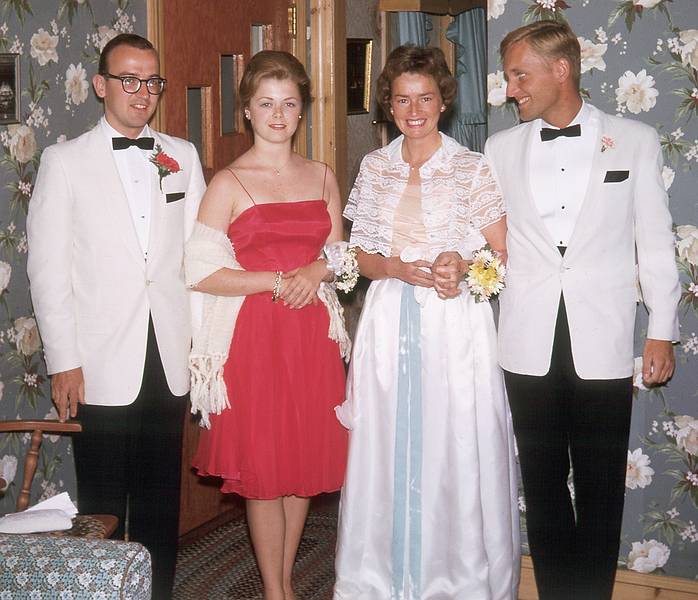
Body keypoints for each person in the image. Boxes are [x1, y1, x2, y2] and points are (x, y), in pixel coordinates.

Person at [484, 20, 681, 600]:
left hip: (606, 340)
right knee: (541, 488)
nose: (511, 87)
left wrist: (662, 332)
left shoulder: (636, 140)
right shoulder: (499, 149)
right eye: (509, 75)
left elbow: (657, 243)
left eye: (521, 74)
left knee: (599, 490)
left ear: (561, 70)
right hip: (525, 342)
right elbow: (484, 240)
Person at [333, 45, 520, 600]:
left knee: (453, 442)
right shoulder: (375, 167)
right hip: (389, 321)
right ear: (388, 106)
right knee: (386, 444)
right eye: (401, 100)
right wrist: (391, 266)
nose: (414, 110)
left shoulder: (470, 167)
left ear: (443, 102)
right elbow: (357, 256)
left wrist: (462, 268)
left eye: (425, 98)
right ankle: (380, 580)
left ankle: (455, 579)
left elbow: (503, 256)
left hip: (454, 327)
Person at [26, 33, 205, 598]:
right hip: (97, 361)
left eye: (151, 81)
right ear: (101, 85)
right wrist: (64, 362)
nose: (141, 92)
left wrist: (204, 351)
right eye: (128, 79)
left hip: (170, 355)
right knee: (103, 504)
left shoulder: (183, 157)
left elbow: (199, 260)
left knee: (159, 501)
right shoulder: (64, 161)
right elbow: (49, 272)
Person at [185, 50, 349, 600]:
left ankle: (285, 586)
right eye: (265, 104)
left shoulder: (323, 175)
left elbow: (341, 257)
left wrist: (315, 270)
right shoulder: (227, 182)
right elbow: (201, 271)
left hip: (311, 338)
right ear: (247, 111)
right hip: (255, 339)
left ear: (301, 111)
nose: (278, 115)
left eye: (289, 104)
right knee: (264, 468)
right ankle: (276, 591)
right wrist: (275, 281)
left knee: (300, 463)